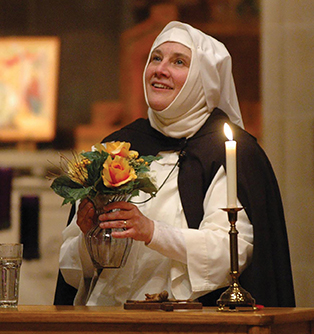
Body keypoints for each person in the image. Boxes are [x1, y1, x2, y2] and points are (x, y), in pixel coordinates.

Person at [54, 21, 295, 307]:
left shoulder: (229, 151)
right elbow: (73, 269)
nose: (160, 69)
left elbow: (231, 252)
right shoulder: (116, 147)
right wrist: (90, 236)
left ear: (202, 79)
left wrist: (152, 232)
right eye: (156, 58)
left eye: (178, 61)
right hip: (108, 318)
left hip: (187, 321)